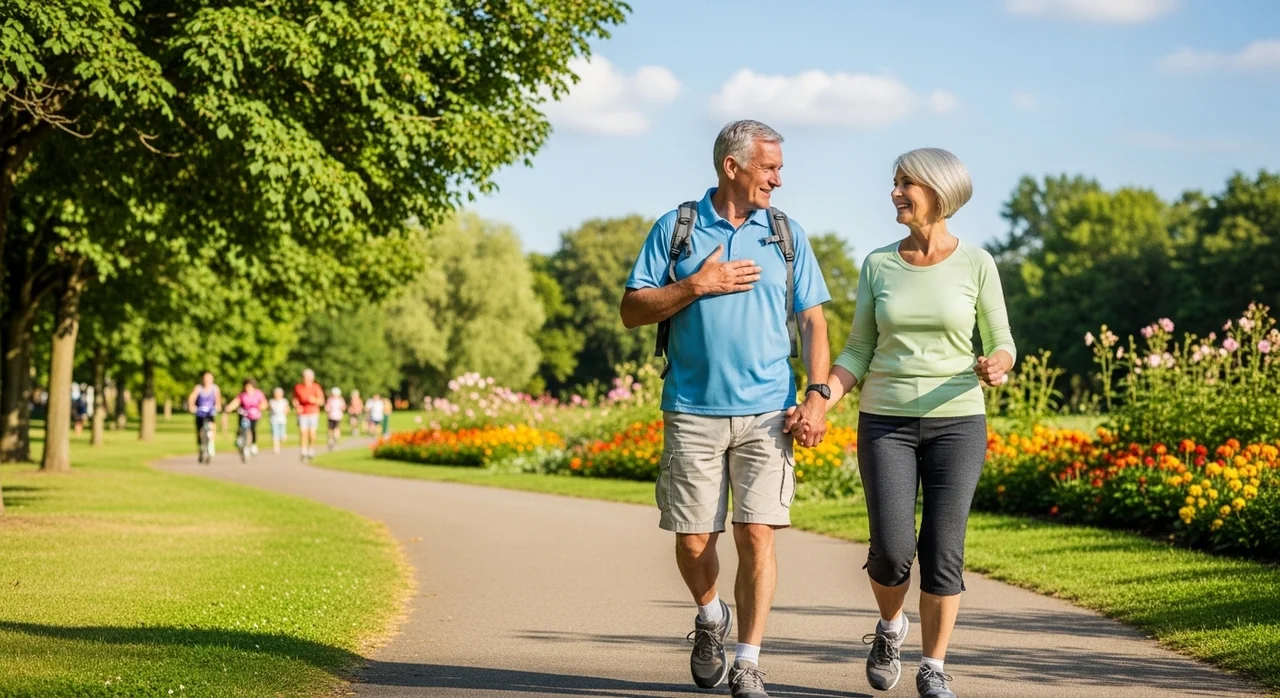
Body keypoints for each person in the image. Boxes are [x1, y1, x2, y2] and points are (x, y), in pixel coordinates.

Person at [789, 148, 1015, 698]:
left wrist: (998, 364)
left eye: (905, 184)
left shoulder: (977, 263)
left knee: (944, 548)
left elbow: (1002, 340)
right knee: (891, 550)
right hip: (885, 421)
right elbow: (860, 347)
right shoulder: (878, 264)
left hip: (958, 422)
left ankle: (933, 667)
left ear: (938, 192)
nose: (894, 192)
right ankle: (890, 628)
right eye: (894, 182)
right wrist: (820, 398)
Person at [619, 119, 831, 698]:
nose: (779, 180)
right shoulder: (677, 228)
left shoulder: (787, 234)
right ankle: (711, 618)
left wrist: (817, 394)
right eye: (770, 168)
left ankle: (749, 659)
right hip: (691, 408)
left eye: (780, 168)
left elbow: (813, 319)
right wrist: (696, 286)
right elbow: (633, 309)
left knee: (757, 535)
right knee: (693, 541)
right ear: (732, 167)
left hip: (768, 411)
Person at [224, 378, 266, 457]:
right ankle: (239, 438)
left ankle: (253, 444)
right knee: (241, 426)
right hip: (244, 414)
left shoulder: (258, 393)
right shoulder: (242, 394)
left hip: (254, 415)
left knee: (253, 429)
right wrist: (229, 408)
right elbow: (236, 402)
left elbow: (264, 403)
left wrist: (259, 408)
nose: (248, 388)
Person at [186, 371, 223, 460]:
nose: (207, 380)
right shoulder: (198, 388)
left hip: (210, 412)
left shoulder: (215, 388)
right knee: (200, 431)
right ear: (203, 379)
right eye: (206, 378)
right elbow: (192, 398)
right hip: (200, 412)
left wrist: (218, 407)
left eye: (209, 378)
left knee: (212, 426)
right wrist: (191, 406)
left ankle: (211, 443)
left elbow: (218, 400)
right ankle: (201, 446)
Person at [292, 368, 325, 462]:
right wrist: (297, 406)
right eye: (305, 377)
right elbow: (295, 399)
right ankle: (303, 451)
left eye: (309, 377)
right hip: (303, 413)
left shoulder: (316, 387)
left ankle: (311, 450)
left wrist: (313, 400)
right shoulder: (298, 387)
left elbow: (321, 401)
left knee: (312, 433)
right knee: (303, 432)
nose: (307, 379)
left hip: (313, 412)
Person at [268, 387, 291, 454]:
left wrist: (287, 410)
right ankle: (276, 448)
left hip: (282, 421)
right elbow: (269, 409)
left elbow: (287, 410)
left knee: (282, 436)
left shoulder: (284, 401)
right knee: (275, 435)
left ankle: (280, 445)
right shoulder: (272, 401)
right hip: (274, 420)